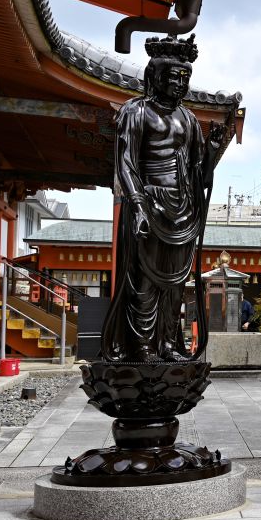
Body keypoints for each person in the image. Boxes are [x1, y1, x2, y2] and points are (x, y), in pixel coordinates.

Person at [101, 34, 225, 362]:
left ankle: (168, 344)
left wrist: (212, 147)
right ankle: (141, 346)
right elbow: (126, 163)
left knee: (174, 284)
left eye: (185, 79)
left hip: (181, 206)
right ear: (156, 77)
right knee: (144, 280)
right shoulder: (136, 112)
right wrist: (138, 206)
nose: (180, 85)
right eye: (173, 78)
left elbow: (199, 170)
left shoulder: (187, 119)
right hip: (149, 201)